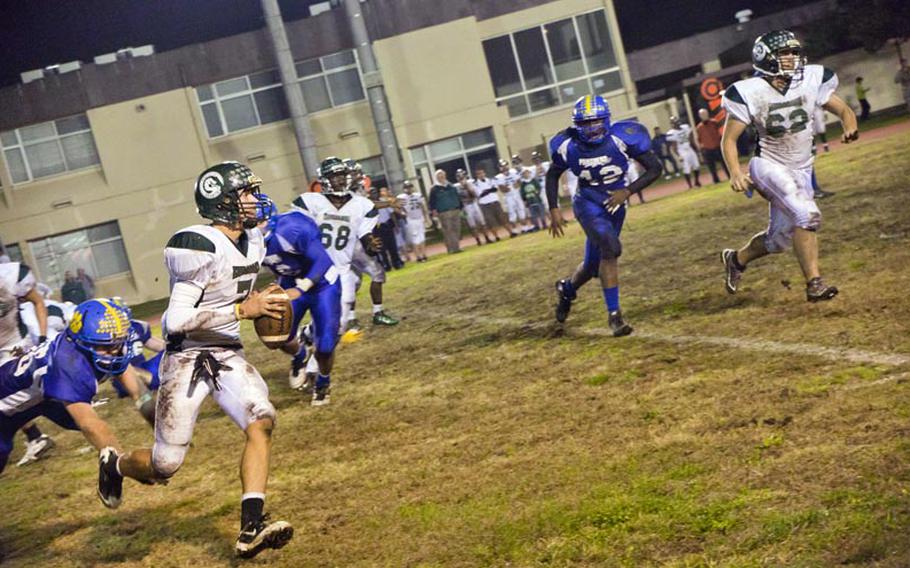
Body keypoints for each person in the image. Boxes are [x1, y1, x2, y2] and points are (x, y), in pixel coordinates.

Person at [113, 161, 294, 559]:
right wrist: (244, 312)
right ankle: (118, 464)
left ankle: (251, 527)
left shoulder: (255, 238)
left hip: (226, 350)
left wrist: (266, 303)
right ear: (224, 201)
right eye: (246, 193)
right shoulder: (196, 244)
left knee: (261, 420)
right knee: (166, 465)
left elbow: (232, 292)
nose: (254, 199)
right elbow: (174, 322)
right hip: (185, 359)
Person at [720, 30, 858, 302]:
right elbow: (729, 140)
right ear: (766, 58)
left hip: (802, 167)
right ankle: (814, 284)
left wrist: (850, 126)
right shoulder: (749, 92)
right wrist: (736, 172)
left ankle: (736, 260)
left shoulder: (810, 80)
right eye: (785, 54)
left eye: (795, 53)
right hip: (767, 165)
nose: (793, 59)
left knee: (779, 240)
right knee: (807, 215)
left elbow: (843, 109)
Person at [548, 95, 663, 335]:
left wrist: (628, 191)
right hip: (588, 202)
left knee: (592, 265)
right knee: (611, 248)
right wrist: (554, 207)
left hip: (614, 204)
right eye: (585, 123)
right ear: (576, 124)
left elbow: (655, 168)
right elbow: (552, 174)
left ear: (607, 119)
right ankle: (615, 316)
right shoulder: (566, 144)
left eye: (596, 122)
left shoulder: (623, 137)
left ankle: (567, 289)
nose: (591, 128)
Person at [0, 299, 138, 487]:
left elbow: (137, 389)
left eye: (118, 342)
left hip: (37, 401)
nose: (115, 351)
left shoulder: (75, 345)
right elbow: (90, 425)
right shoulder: (68, 364)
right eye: (107, 346)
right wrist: (124, 466)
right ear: (84, 341)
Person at [293, 157, 386, 352]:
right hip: (315, 268)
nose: (340, 180)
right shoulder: (310, 202)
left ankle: (309, 335)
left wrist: (370, 243)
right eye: (335, 177)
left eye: (343, 175)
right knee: (322, 319)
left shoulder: (362, 205)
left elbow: (364, 234)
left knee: (338, 326)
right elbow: (297, 230)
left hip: (343, 271)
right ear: (325, 180)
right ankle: (311, 365)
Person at [259, 195, 342, 402]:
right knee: (278, 336)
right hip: (289, 280)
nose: (253, 228)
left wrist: (302, 287)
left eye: (258, 222)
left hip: (322, 283)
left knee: (325, 347)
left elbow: (323, 260)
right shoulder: (244, 243)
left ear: (270, 219)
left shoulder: (293, 227)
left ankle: (323, 381)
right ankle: (300, 356)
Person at [344, 161, 399, 329]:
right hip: (352, 239)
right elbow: (367, 206)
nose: (359, 176)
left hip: (353, 238)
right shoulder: (344, 192)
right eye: (355, 173)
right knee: (377, 273)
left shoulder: (354, 189)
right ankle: (378, 313)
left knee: (353, 280)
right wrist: (388, 203)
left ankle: (352, 319)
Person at [455, 169, 495, 246]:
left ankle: (487, 237)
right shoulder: (456, 187)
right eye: (459, 176)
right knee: (472, 225)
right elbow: (458, 199)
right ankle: (478, 240)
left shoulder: (471, 183)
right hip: (466, 206)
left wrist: (467, 187)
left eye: (462, 176)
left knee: (482, 222)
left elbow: (476, 195)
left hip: (474, 203)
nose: (461, 178)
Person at [428, 170, 464, 254]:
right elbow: (431, 201)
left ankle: (456, 246)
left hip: (455, 209)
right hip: (443, 212)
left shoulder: (451, 186)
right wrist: (433, 211)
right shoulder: (434, 189)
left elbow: (457, 196)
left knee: (457, 229)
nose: (441, 177)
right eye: (439, 176)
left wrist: (460, 207)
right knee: (448, 230)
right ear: (437, 178)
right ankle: (452, 249)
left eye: (443, 175)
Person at [474, 167, 513, 239]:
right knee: (490, 222)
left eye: (482, 173)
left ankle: (511, 232)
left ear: (484, 173)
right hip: (485, 205)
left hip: (495, 202)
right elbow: (480, 194)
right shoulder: (476, 184)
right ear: (477, 175)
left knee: (502, 218)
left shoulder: (490, 180)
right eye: (479, 174)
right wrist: (489, 190)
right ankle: (496, 236)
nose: (481, 175)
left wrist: (487, 191)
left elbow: (495, 189)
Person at [495, 159, 530, 234]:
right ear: (500, 168)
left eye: (505, 165)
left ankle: (525, 228)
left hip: (517, 194)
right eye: (502, 166)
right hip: (508, 197)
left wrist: (512, 186)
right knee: (512, 214)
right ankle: (514, 231)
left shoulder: (513, 172)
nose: (504, 168)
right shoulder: (499, 177)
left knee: (521, 210)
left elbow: (519, 183)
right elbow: (503, 189)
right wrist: (512, 186)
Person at [666, 116, 701, 188]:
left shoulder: (685, 127)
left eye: (677, 122)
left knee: (696, 165)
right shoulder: (671, 133)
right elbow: (674, 146)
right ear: (672, 124)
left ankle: (697, 181)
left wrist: (695, 147)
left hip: (689, 148)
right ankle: (690, 185)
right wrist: (679, 155)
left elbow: (691, 138)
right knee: (686, 168)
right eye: (674, 123)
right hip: (681, 150)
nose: (677, 124)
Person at [399, 180, 430, 262]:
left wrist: (426, 217)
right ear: (404, 189)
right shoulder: (401, 197)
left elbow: (422, 206)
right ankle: (418, 256)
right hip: (411, 219)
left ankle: (424, 255)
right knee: (415, 238)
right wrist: (403, 213)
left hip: (419, 218)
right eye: (407, 188)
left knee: (422, 237)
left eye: (410, 187)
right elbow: (398, 208)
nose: (409, 189)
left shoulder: (418, 195)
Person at [696, 108, 729, 184]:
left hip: (717, 146)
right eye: (702, 115)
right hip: (708, 148)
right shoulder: (699, 127)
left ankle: (730, 175)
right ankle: (716, 180)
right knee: (711, 166)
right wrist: (701, 148)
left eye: (705, 114)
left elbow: (720, 132)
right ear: (699, 116)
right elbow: (699, 139)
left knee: (725, 162)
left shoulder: (714, 122)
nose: (704, 116)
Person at [375, 187, 405, 269]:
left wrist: (395, 225)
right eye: (372, 193)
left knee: (392, 246)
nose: (374, 194)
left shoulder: (383, 201)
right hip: (377, 227)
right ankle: (386, 265)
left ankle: (397, 262)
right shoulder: (368, 203)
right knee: (382, 248)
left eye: (375, 192)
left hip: (386, 224)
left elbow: (391, 213)